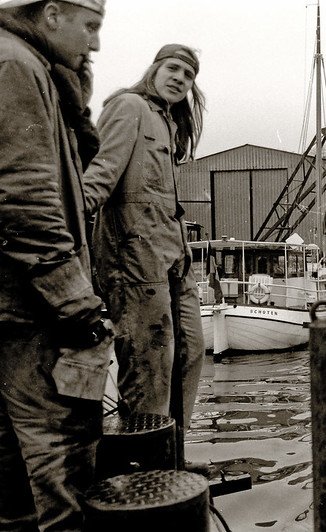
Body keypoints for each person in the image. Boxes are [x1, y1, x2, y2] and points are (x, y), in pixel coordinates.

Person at [0, 1, 110, 530]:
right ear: (50, 13)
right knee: (58, 463)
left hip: (17, 299)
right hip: (29, 306)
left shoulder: (34, 68)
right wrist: (75, 301)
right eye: (90, 26)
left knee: (13, 474)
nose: (95, 42)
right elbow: (24, 197)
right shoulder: (16, 66)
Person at [83, 44, 206, 448]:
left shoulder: (167, 123)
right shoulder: (128, 107)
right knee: (150, 361)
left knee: (190, 351)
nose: (179, 79)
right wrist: (66, 222)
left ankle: (174, 455)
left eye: (187, 76)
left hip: (173, 256)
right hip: (133, 256)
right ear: (153, 69)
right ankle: (146, 465)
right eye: (172, 69)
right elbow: (101, 171)